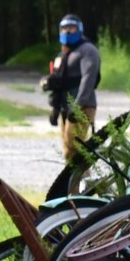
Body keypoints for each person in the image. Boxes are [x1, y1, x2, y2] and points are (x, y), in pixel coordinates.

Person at [43, 14, 102, 162]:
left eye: (72, 28)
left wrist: (78, 106)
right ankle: (82, 184)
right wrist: (55, 109)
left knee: (74, 150)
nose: (68, 32)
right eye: (64, 28)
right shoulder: (64, 54)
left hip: (82, 107)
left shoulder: (87, 50)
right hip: (66, 108)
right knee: (69, 151)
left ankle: (84, 184)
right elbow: (59, 83)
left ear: (80, 29)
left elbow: (88, 80)